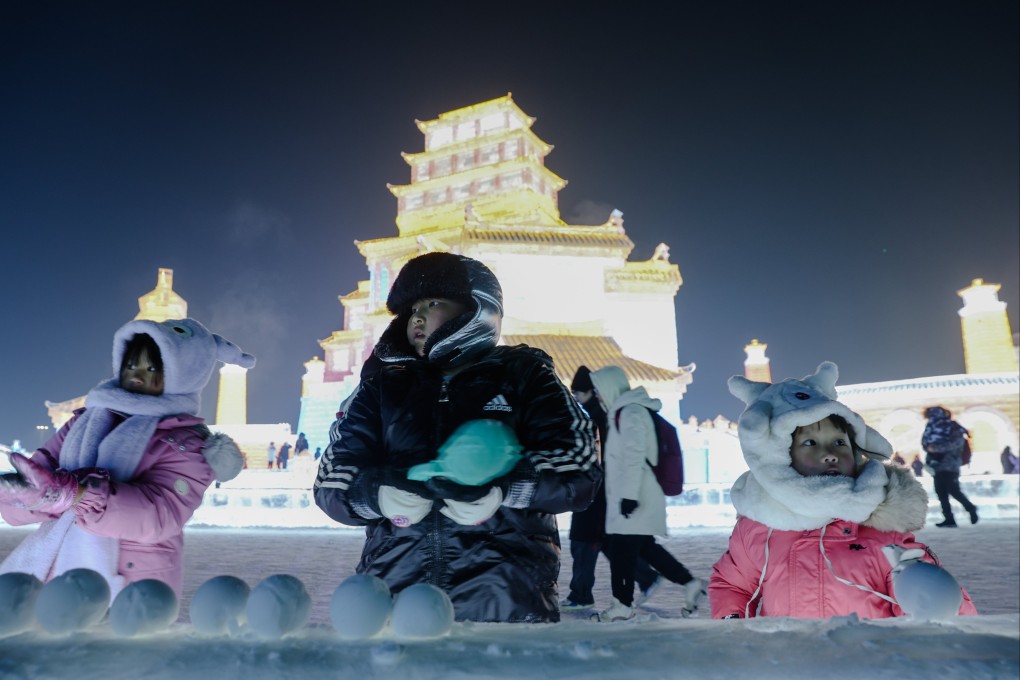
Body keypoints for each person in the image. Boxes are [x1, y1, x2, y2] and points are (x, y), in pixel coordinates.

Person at [314, 252, 599, 623]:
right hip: (398, 601)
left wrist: (505, 488)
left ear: (476, 308)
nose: (417, 317)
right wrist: (374, 494)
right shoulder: (381, 387)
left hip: (507, 603)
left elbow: (579, 468)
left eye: (433, 303)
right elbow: (331, 478)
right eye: (412, 309)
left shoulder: (525, 375)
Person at [0, 318, 253, 600]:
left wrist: (78, 495)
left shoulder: (187, 443)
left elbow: (161, 514)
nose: (137, 375)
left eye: (152, 368)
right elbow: (38, 479)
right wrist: (23, 495)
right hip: (60, 574)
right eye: (131, 365)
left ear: (185, 373)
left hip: (133, 589)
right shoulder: (85, 421)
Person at [711, 362, 977, 619]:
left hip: (867, 650)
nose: (829, 454)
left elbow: (939, 611)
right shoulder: (759, 527)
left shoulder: (882, 524)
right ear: (780, 455)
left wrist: (930, 594)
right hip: (788, 650)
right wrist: (731, 624)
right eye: (810, 443)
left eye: (839, 442)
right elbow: (732, 584)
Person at [588, 365, 706, 622]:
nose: (596, 395)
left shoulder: (630, 412)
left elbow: (634, 457)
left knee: (621, 552)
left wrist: (629, 496)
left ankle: (622, 604)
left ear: (609, 387)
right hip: (634, 493)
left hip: (636, 494)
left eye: (598, 389)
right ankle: (690, 583)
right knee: (645, 549)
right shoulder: (624, 411)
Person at [560, 365, 661, 611]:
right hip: (598, 491)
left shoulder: (598, 419)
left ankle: (582, 595)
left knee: (584, 542)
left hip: (595, 492)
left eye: (578, 393)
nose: (576, 398)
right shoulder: (600, 415)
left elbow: (609, 457)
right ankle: (646, 577)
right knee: (603, 543)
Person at [922, 406, 978, 528]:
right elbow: (925, 443)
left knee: (954, 491)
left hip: (950, 465)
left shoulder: (953, 427)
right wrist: (929, 450)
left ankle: (971, 508)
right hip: (936, 465)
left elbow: (956, 443)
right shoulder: (931, 428)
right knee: (941, 492)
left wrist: (936, 448)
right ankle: (949, 519)